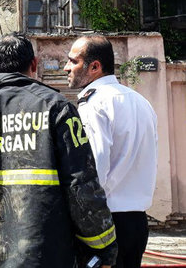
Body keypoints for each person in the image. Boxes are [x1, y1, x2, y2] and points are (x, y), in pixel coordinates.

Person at [0, 33, 117, 268]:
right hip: (45, 255)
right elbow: (81, 184)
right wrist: (104, 247)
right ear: (34, 64)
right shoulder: (57, 108)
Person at [65, 36, 158, 268]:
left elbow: (95, 168)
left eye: (72, 61)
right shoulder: (140, 101)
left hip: (106, 222)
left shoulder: (94, 104)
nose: (66, 67)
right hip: (137, 221)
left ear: (94, 67)